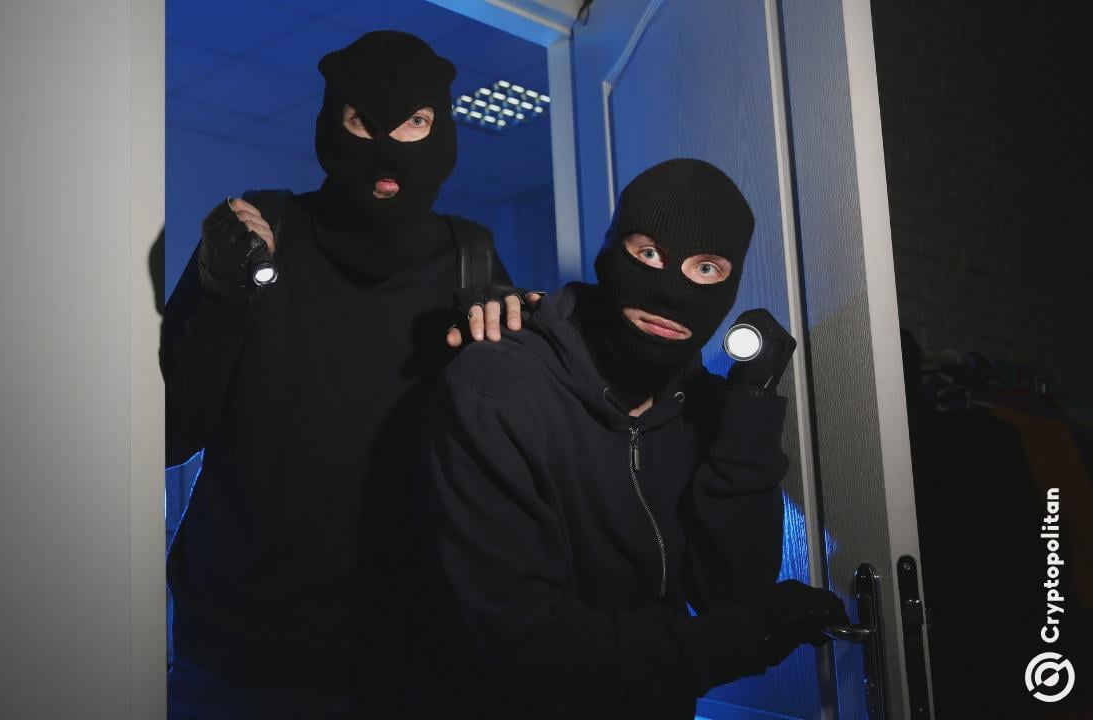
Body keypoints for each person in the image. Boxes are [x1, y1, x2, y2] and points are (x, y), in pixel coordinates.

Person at [161, 31, 539, 719]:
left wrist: (510, 348)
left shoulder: (472, 262)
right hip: (238, 653)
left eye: (415, 123)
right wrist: (224, 298)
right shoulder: (257, 237)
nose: (388, 152)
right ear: (333, 120)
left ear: (441, 127)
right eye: (364, 121)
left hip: (410, 655)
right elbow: (167, 434)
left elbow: (517, 469)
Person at [411, 158, 849, 718]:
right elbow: (521, 646)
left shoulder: (697, 404)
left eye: (706, 268)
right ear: (609, 251)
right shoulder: (493, 391)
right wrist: (743, 639)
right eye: (649, 255)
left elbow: (730, 591)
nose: (672, 293)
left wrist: (749, 407)